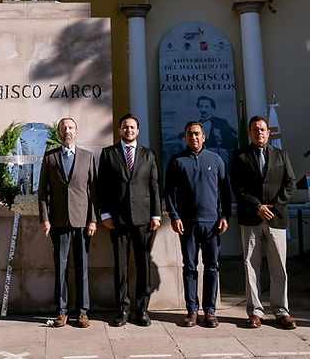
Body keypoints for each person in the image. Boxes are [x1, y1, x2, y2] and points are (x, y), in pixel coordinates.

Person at [231, 115, 297, 330]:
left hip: (276, 219)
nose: (259, 133)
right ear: (249, 133)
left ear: (268, 133)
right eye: (255, 130)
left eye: (263, 129)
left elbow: (290, 183)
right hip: (251, 218)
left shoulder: (281, 155)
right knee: (251, 266)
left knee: (279, 267)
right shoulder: (240, 156)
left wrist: (274, 207)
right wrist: (257, 206)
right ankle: (255, 312)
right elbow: (238, 188)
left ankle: (281, 311)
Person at [97, 113, 162, 327]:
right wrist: (104, 214)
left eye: (133, 127)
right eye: (125, 127)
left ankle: (142, 310)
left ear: (138, 130)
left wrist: (156, 214)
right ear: (119, 130)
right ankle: (122, 310)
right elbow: (102, 187)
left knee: (143, 265)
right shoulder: (108, 154)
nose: (129, 130)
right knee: (121, 267)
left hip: (144, 219)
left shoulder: (148, 154)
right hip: (118, 219)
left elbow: (154, 186)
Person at [165, 121, 231, 328]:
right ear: (185, 137)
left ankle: (209, 311)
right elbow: (168, 192)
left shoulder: (216, 160)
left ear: (204, 137)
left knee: (212, 267)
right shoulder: (176, 161)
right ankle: (192, 310)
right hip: (187, 224)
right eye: (189, 134)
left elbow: (225, 192)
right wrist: (174, 217)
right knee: (190, 267)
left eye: (196, 134)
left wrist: (225, 216)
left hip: (212, 224)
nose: (193, 137)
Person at [37, 117, 97, 328]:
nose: (67, 131)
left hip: (82, 222)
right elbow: (42, 192)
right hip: (58, 221)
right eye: (64, 128)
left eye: (71, 128)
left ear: (76, 131)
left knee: (82, 267)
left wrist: (93, 219)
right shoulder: (50, 157)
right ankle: (61, 311)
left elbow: (93, 192)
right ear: (59, 133)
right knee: (61, 266)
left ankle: (82, 312)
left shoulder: (87, 157)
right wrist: (44, 218)